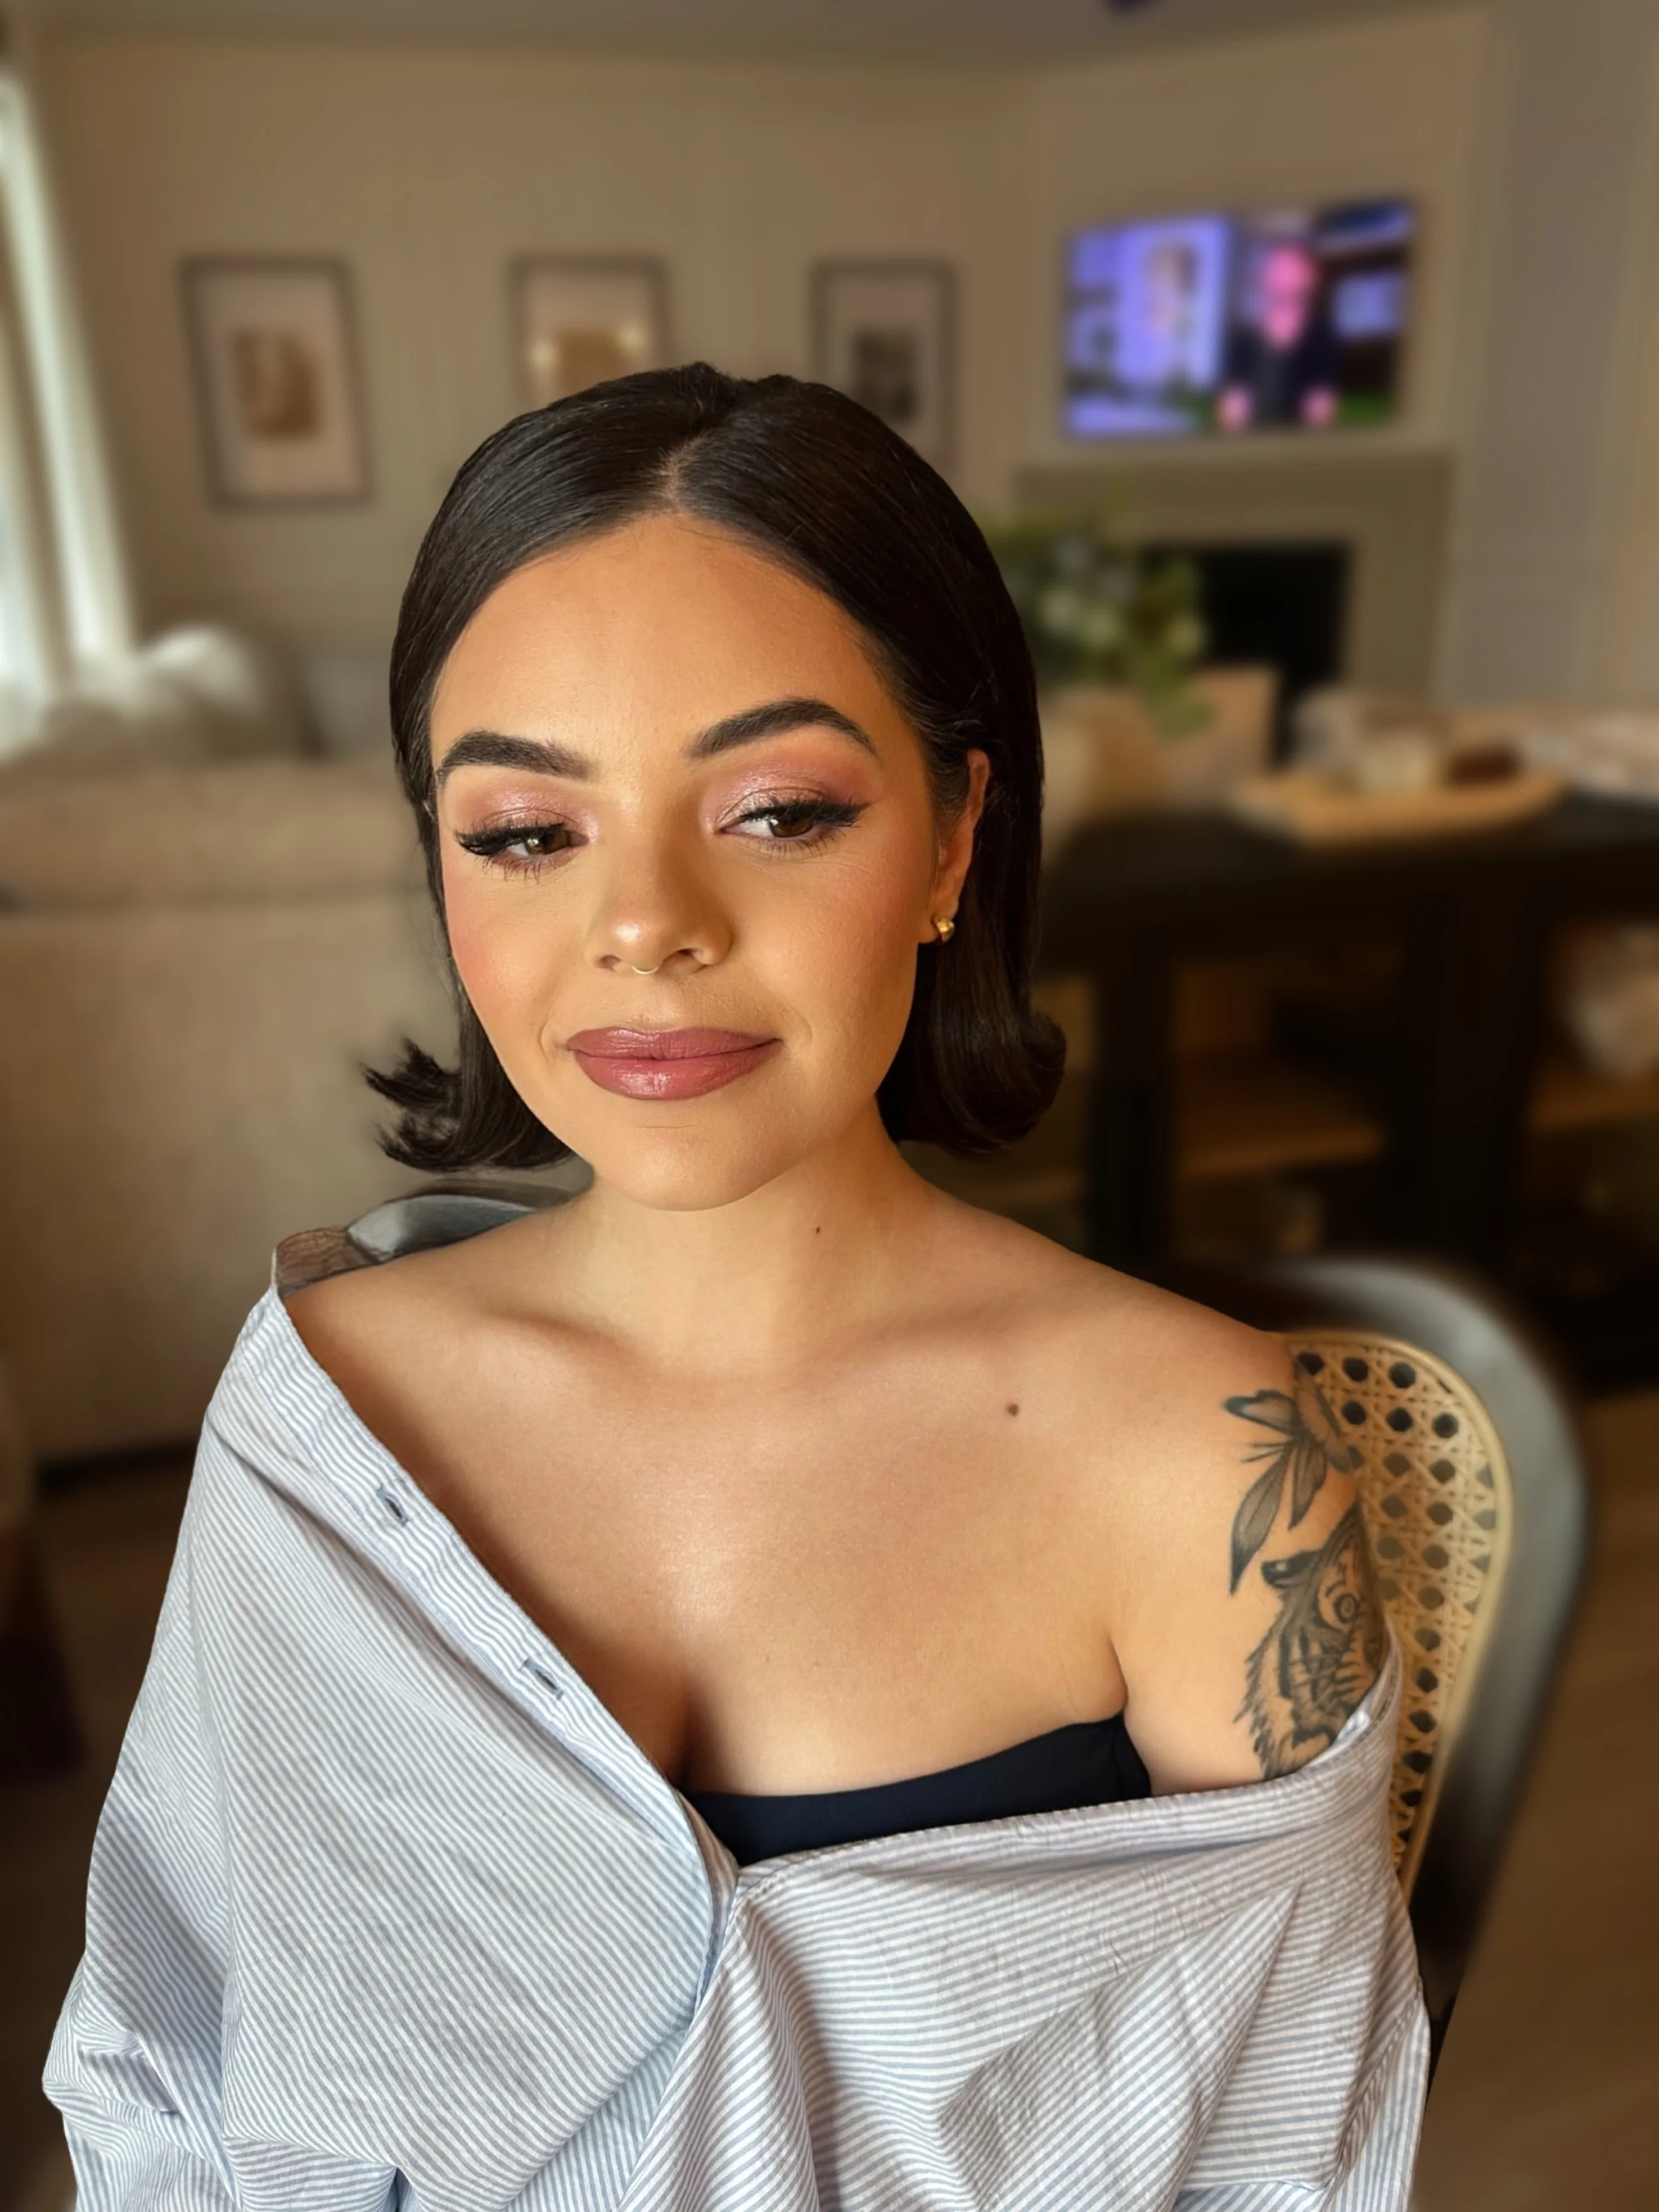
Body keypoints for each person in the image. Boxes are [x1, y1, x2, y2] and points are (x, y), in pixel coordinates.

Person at [46, 365, 1425, 2207]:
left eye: (776, 808)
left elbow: (1277, 2157)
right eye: (527, 830)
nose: (645, 921)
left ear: (949, 837)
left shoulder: (1199, 1470)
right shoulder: (323, 1412)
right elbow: (177, 2066)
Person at [1218, 236, 1340, 431]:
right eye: (1276, 266)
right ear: (1263, 277)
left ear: (1310, 278)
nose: (1282, 275)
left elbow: (1320, 415)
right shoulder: (1241, 340)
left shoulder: (1323, 341)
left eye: (1291, 267)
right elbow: (1231, 413)